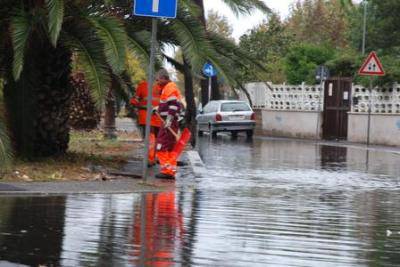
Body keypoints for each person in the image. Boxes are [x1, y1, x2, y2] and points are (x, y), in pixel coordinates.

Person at [154, 69, 183, 179]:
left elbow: (173, 105)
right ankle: (170, 171)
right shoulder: (169, 87)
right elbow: (169, 105)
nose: (157, 82)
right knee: (170, 148)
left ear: (164, 78)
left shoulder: (169, 88)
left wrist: (169, 120)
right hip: (171, 122)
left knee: (161, 146)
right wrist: (158, 108)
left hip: (168, 122)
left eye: (158, 79)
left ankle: (167, 171)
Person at [130, 81, 162, 166]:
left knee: (150, 137)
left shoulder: (143, 85)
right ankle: (154, 157)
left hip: (147, 115)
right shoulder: (162, 86)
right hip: (157, 116)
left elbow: (134, 101)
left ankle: (151, 158)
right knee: (156, 137)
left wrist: (138, 104)